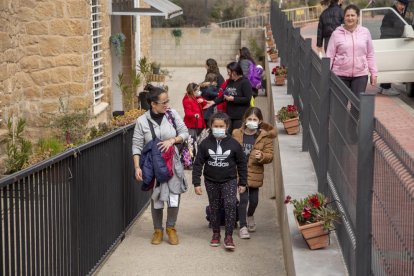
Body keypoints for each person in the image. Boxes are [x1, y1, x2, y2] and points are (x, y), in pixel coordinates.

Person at [132, 85, 189, 245]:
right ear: (153, 104)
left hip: (172, 163)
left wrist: (172, 140)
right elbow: (136, 145)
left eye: (167, 101)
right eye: (163, 102)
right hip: (153, 165)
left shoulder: (172, 114)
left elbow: (184, 132)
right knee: (156, 197)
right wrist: (137, 166)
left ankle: (171, 228)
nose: (166, 105)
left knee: (174, 195)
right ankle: (158, 230)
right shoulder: (142, 121)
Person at [192, 112, 247, 250]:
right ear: (211, 126)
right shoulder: (205, 144)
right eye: (215, 126)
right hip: (211, 180)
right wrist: (196, 183)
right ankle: (216, 233)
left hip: (229, 180)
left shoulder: (234, 144)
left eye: (221, 126)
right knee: (214, 207)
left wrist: (242, 182)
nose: (218, 128)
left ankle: (228, 236)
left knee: (230, 204)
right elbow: (198, 163)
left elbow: (241, 164)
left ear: (227, 126)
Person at [232, 107, 276, 239]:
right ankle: (243, 227)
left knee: (254, 201)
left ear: (260, 121)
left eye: (254, 119)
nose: (251, 121)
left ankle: (250, 215)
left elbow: (270, 155)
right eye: (249, 119)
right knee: (243, 199)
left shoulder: (264, 137)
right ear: (245, 120)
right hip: (240, 173)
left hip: (255, 173)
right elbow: (231, 149)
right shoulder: (237, 134)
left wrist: (262, 155)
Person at [326, 4, 378, 97]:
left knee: (357, 106)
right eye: (347, 15)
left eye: (353, 15)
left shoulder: (365, 32)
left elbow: (370, 54)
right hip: (340, 75)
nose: (350, 18)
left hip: (360, 75)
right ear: (344, 17)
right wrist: (326, 74)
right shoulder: (336, 34)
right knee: (340, 106)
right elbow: (330, 56)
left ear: (358, 17)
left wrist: (373, 73)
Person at [208, 62, 253, 133]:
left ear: (235, 72)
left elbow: (248, 98)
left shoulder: (245, 82)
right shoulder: (230, 81)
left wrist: (234, 99)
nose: (228, 74)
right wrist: (213, 102)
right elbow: (224, 95)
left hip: (239, 116)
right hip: (229, 115)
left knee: (237, 135)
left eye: (229, 72)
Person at [379, 0, 408, 95]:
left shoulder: (396, 12)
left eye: (404, 5)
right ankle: (386, 88)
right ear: (396, 3)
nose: (402, 7)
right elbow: (387, 28)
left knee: (389, 63)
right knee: (389, 63)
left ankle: (383, 87)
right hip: (389, 41)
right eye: (401, 4)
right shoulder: (392, 13)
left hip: (389, 41)